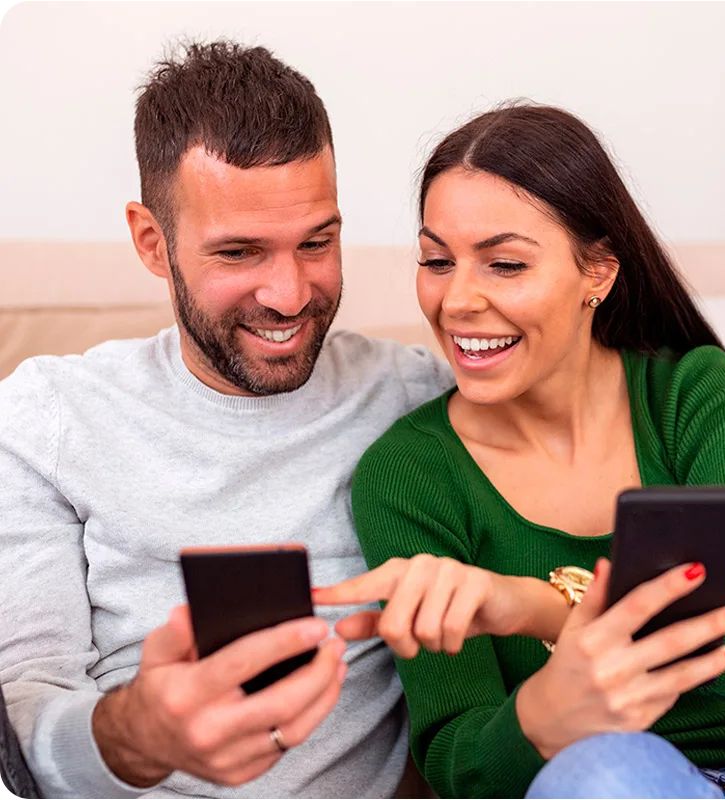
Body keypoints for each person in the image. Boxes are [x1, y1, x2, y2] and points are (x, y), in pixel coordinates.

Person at [0, 41, 452, 800]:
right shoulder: (49, 416)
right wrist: (133, 735)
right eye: (240, 252)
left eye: (318, 242)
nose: (288, 293)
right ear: (153, 241)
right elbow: (19, 714)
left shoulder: (417, 398)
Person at [314, 104, 725, 799]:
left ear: (597, 273)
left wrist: (530, 605)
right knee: (605, 773)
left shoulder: (694, 397)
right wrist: (544, 717)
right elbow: (457, 761)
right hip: (597, 787)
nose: (457, 300)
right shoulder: (410, 474)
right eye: (436, 261)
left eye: (505, 264)